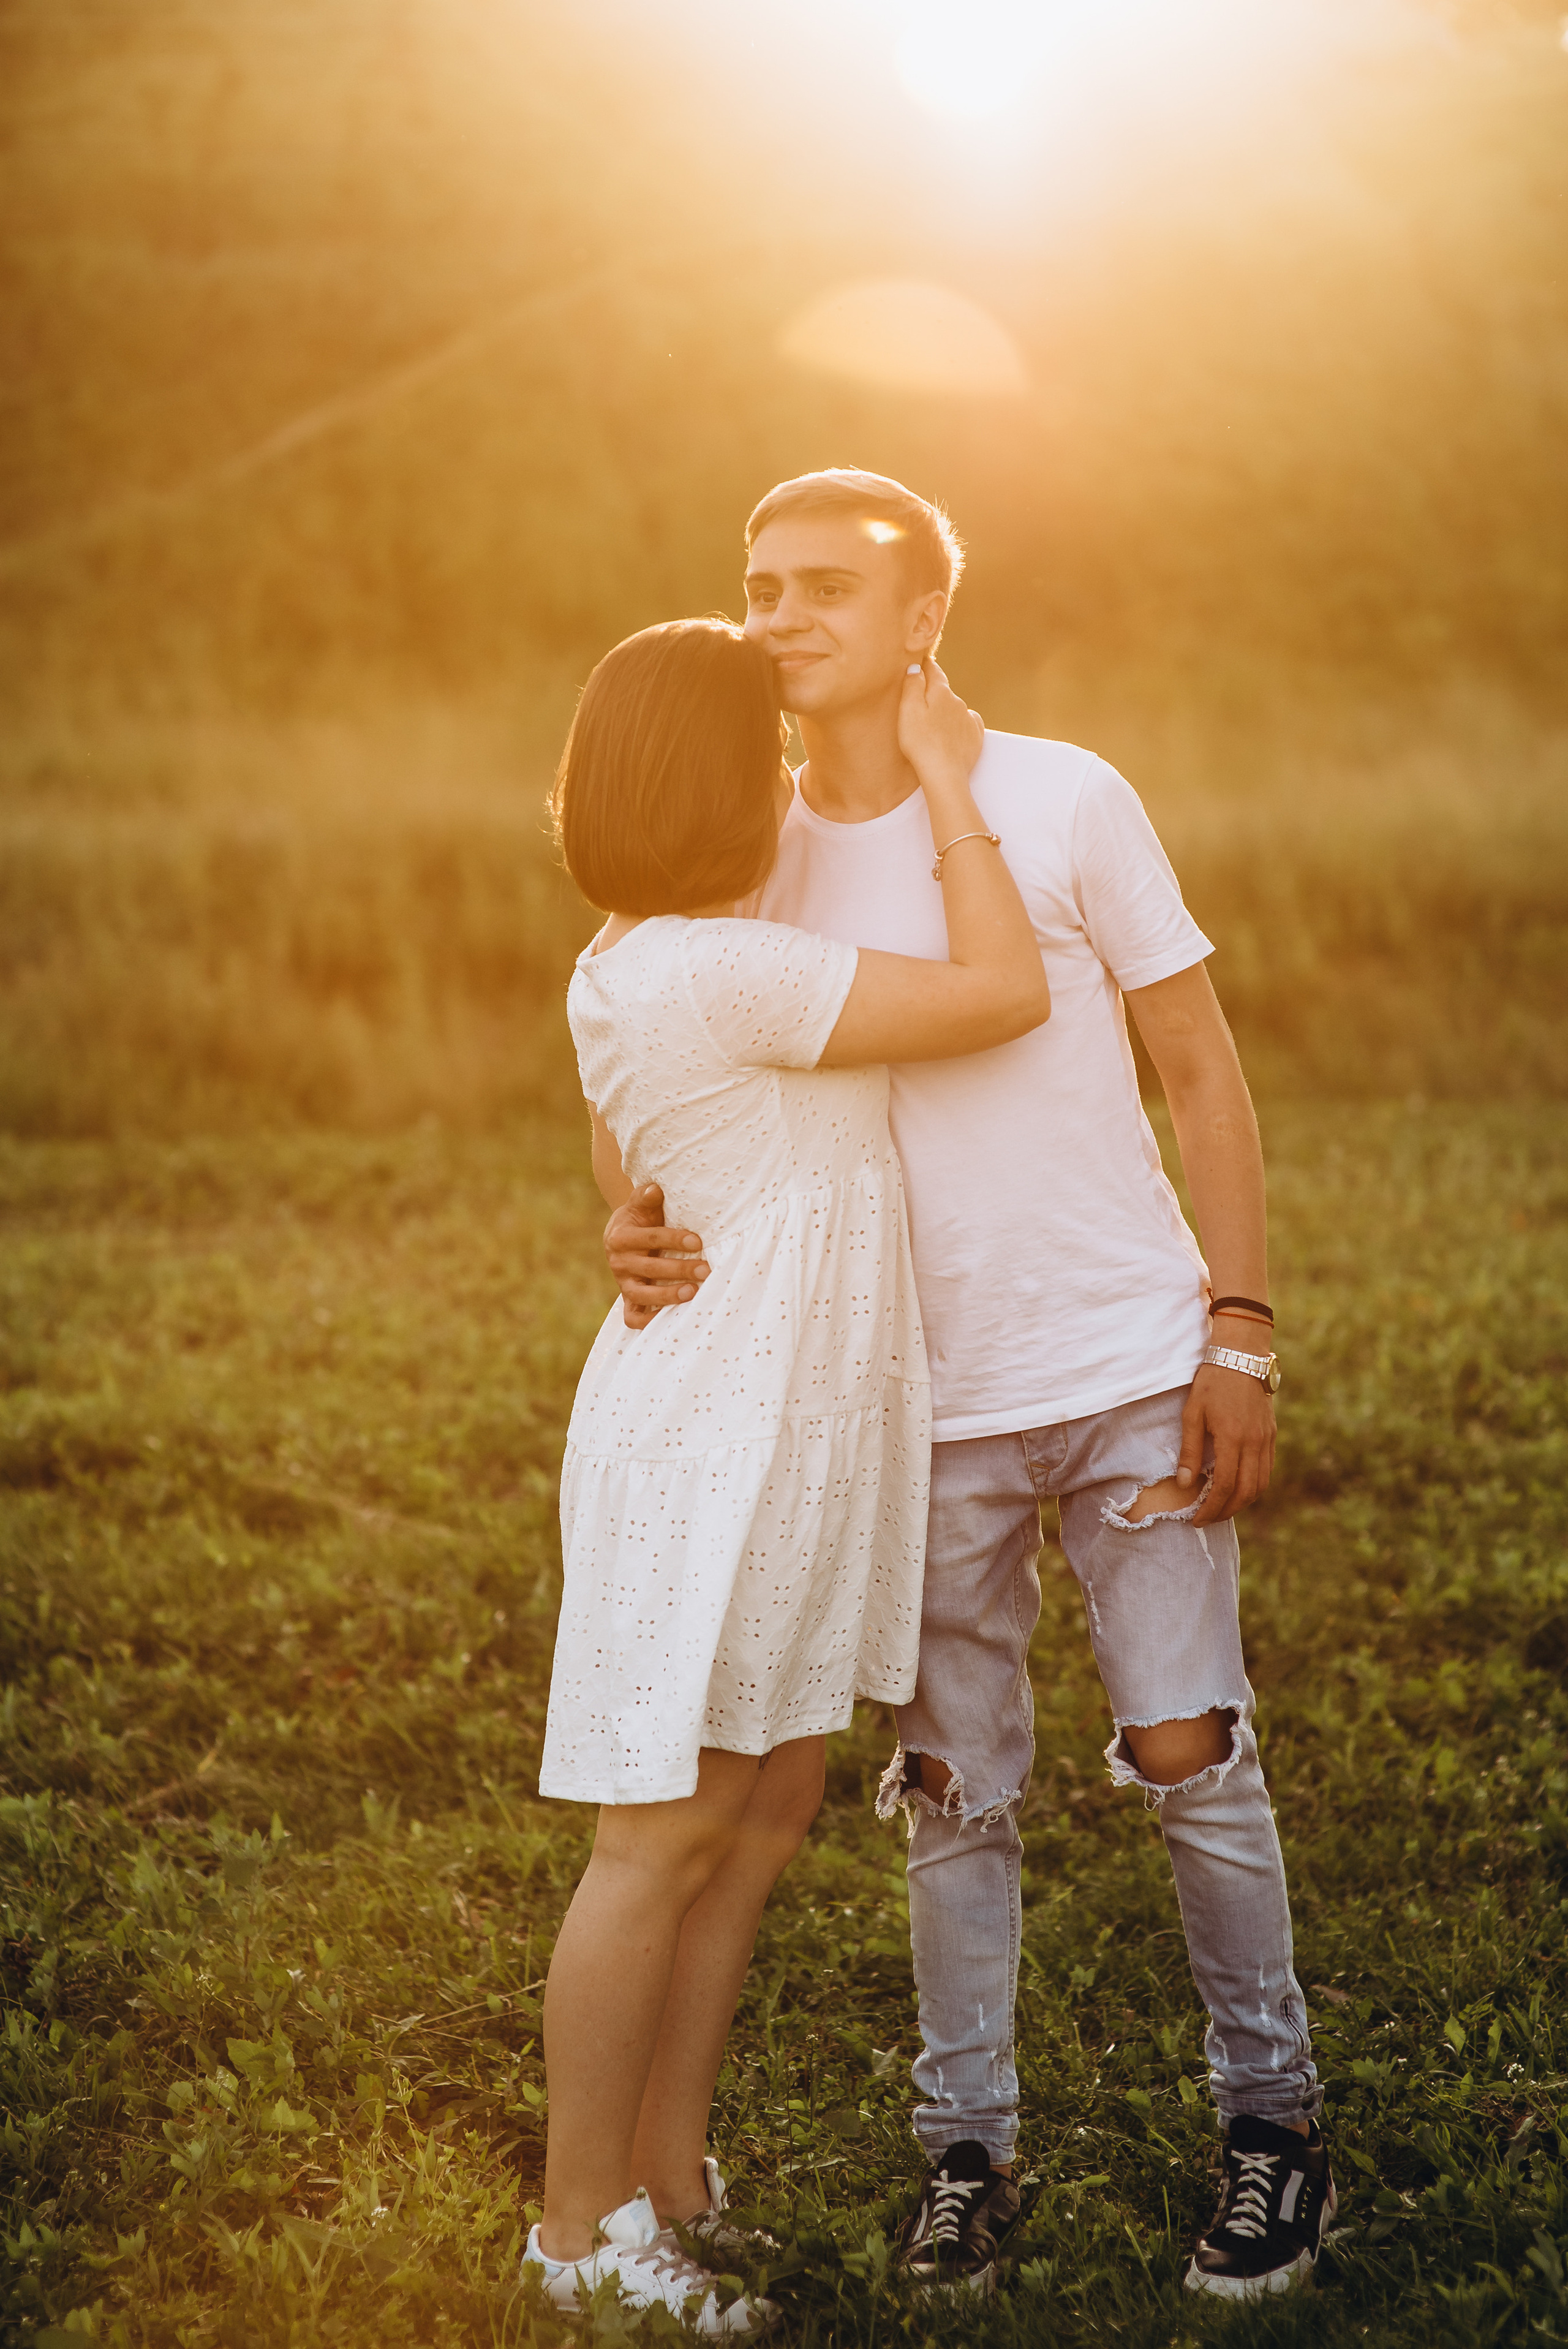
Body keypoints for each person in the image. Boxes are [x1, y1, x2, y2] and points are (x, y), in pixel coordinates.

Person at [603, 472, 1337, 2304]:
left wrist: (1237, 1326)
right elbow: (639, 1041)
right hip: (908, 1405)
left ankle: (1279, 2132)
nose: (780, 618)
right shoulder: (744, 847)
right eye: (757, 585)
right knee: (951, 1786)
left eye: (825, 587)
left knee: (1190, 1747)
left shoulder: (1064, 794)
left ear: (923, 612)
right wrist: (626, 1218)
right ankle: (967, 2156)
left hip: (1127, 1358)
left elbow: (1203, 1070)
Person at [521, 615, 1049, 2332]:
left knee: (752, 1822)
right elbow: (1001, 991)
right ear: (712, 782)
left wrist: (634, 1210)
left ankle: (672, 2181)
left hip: (779, 1420)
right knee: (661, 1836)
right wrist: (958, 794)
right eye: (755, 757)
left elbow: (631, 1155)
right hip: (717, 1434)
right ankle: (576, 2233)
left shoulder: (640, 954)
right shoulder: (712, 967)